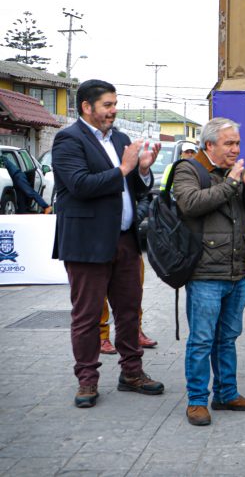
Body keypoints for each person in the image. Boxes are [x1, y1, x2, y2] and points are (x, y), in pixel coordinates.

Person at [52, 79, 164, 409]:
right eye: (108, 105)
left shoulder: (121, 139)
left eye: (115, 104)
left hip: (125, 240)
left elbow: (135, 188)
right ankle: (87, 380)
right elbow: (80, 185)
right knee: (86, 316)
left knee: (129, 312)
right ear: (87, 107)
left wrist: (142, 171)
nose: (114, 111)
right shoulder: (67, 140)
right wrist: (125, 167)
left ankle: (132, 372)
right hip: (87, 244)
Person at [172, 117, 245, 426]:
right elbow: (190, 204)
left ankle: (227, 393)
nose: (235, 149)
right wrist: (232, 184)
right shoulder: (189, 169)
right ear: (209, 145)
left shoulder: (234, 173)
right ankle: (197, 400)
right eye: (229, 143)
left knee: (227, 339)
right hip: (204, 274)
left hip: (236, 272)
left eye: (237, 143)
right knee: (201, 340)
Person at [99, 191, 157, 355]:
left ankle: (135, 331)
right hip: (97, 233)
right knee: (98, 292)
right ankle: (101, 336)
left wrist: (135, 215)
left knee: (134, 289)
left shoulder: (132, 165)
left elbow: (144, 194)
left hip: (128, 236)